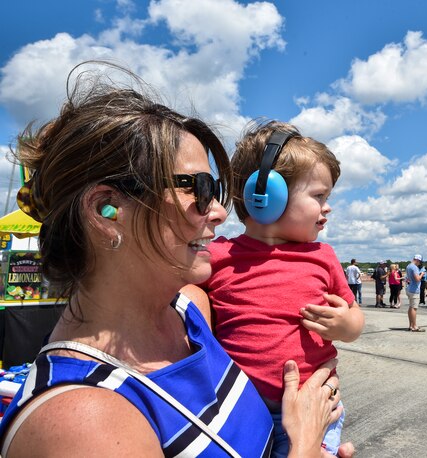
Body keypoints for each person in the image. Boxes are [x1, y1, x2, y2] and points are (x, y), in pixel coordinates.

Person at [0, 64, 349, 457]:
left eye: (216, 188)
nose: (218, 210)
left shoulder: (193, 313)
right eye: (199, 188)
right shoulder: (80, 420)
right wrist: (303, 442)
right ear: (107, 210)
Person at [193, 121, 364, 456]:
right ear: (264, 197)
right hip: (240, 410)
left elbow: (354, 315)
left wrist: (346, 325)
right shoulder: (217, 257)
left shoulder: (322, 256)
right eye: (319, 196)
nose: (327, 207)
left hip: (314, 407)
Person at [405, 255, 426, 332]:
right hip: (414, 290)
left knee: (411, 307)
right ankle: (414, 326)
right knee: (414, 308)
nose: (419, 264)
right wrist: (422, 274)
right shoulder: (414, 267)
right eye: (420, 262)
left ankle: (411, 325)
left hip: (409, 288)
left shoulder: (408, 266)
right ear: (417, 260)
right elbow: (417, 279)